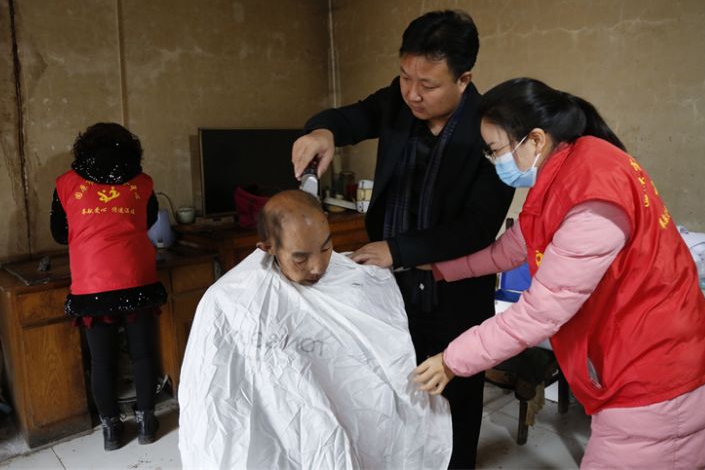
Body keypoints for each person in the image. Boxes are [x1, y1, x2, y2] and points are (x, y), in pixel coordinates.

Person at [413, 78, 705, 469]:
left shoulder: (591, 193)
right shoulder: (566, 172)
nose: (493, 162)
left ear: (535, 140)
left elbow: (538, 313)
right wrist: (439, 269)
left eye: (495, 150)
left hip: (658, 381)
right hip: (665, 366)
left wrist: (452, 359)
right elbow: (509, 250)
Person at [291, 10, 514, 468]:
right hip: (389, 288)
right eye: (405, 76)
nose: (412, 92)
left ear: (464, 79)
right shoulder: (398, 101)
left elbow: (476, 227)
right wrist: (323, 131)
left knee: (455, 403)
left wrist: (397, 250)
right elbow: (354, 116)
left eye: (427, 84)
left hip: (453, 294)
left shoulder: (491, 131)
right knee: (394, 391)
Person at [178, 190, 452, 469]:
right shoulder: (230, 299)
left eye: (326, 247)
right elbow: (217, 392)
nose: (318, 267)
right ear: (267, 247)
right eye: (300, 259)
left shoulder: (350, 275)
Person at [50, 122, 167, 451]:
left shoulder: (66, 183)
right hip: (136, 278)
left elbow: (59, 233)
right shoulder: (143, 183)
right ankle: (146, 423)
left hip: (92, 283)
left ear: (84, 147)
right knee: (143, 355)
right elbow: (148, 221)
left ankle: (111, 431)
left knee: (102, 362)